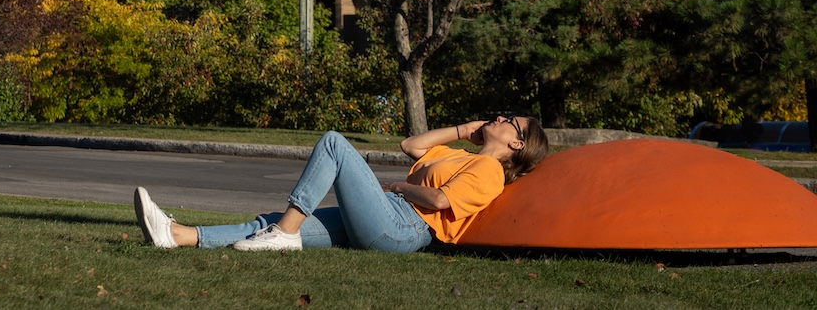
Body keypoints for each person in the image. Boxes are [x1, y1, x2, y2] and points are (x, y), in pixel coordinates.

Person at [134, 116, 548, 252]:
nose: (497, 117)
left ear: (516, 142)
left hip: (403, 228)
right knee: (277, 221)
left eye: (507, 120)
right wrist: (465, 127)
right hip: (388, 216)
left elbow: (440, 201)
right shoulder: (462, 156)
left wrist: (400, 188)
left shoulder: (491, 171)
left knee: (334, 144)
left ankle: (284, 235)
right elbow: (411, 144)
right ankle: (178, 235)